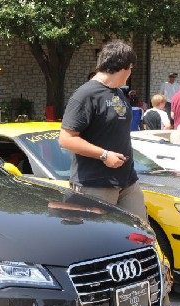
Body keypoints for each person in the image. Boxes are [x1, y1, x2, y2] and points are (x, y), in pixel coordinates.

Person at [59, 40, 146, 220]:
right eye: (131, 68)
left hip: (127, 181)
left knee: (140, 236)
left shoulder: (118, 92)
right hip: (95, 184)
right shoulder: (85, 95)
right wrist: (104, 155)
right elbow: (66, 139)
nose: (130, 74)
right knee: (98, 241)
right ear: (123, 67)